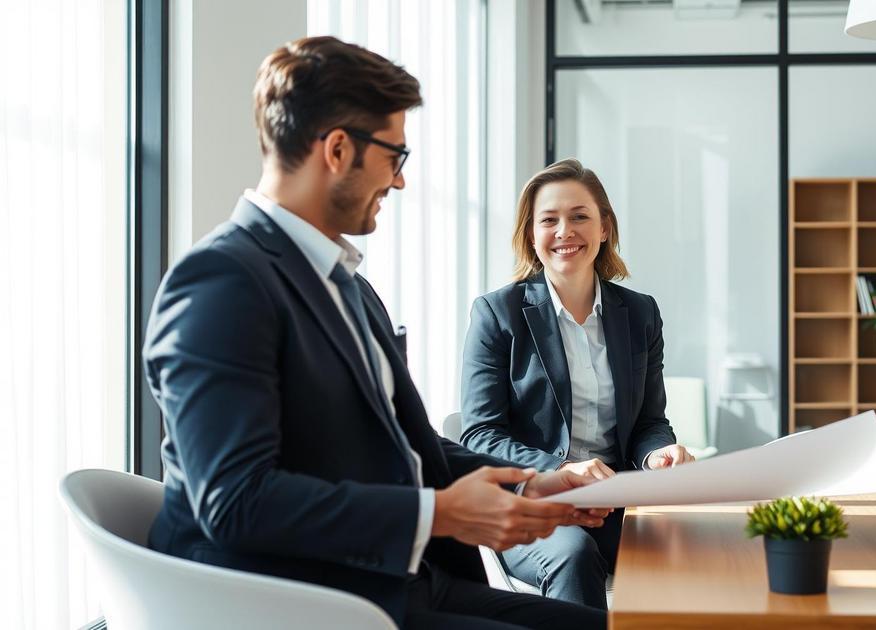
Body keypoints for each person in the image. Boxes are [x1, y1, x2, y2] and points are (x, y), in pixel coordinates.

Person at [142, 36, 609, 630]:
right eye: (395, 157)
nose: (400, 182)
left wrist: (528, 485)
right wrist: (437, 514)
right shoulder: (220, 283)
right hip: (296, 601)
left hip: (388, 579)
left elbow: (405, 444)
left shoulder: (343, 282)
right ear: (338, 150)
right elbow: (236, 502)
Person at [459, 158, 696, 610]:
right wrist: (558, 471)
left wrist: (656, 454)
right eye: (549, 220)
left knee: (700, 541)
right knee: (572, 554)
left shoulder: (640, 313)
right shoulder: (496, 314)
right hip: (533, 506)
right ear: (531, 234)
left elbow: (649, 421)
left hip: (616, 501)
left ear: (604, 227)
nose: (565, 231)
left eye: (580, 217)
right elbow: (479, 435)